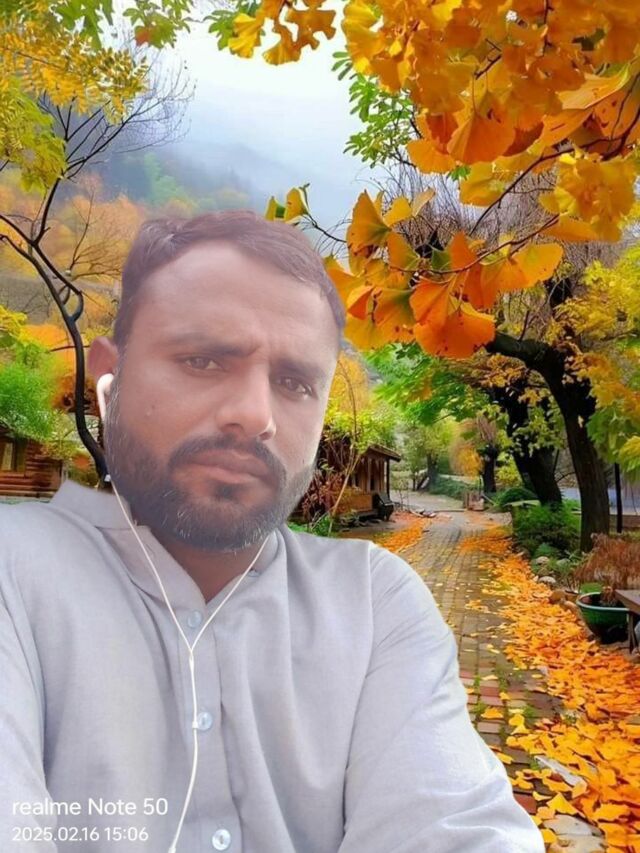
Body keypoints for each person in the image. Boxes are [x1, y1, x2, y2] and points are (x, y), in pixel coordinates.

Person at [0, 211, 544, 852]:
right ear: (107, 379)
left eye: (293, 383)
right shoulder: (16, 571)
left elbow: (455, 828)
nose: (255, 415)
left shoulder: (374, 603)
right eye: (203, 360)